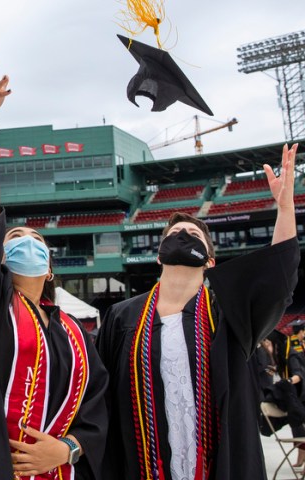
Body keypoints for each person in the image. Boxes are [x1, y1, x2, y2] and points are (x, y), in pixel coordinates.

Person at [0, 55, 108, 479]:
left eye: (36, 242)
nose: (24, 242)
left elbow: (98, 408)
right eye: (13, 239)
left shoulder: (76, 334)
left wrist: (67, 449)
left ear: (50, 267)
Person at [96, 143, 300, 480]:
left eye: (193, 234)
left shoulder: (228, 314)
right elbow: (100, 395)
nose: (183, 235)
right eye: (174, 233)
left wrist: (285, 208)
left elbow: (276, 278)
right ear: (159, 255)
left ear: (210, 260)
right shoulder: (122, 317)